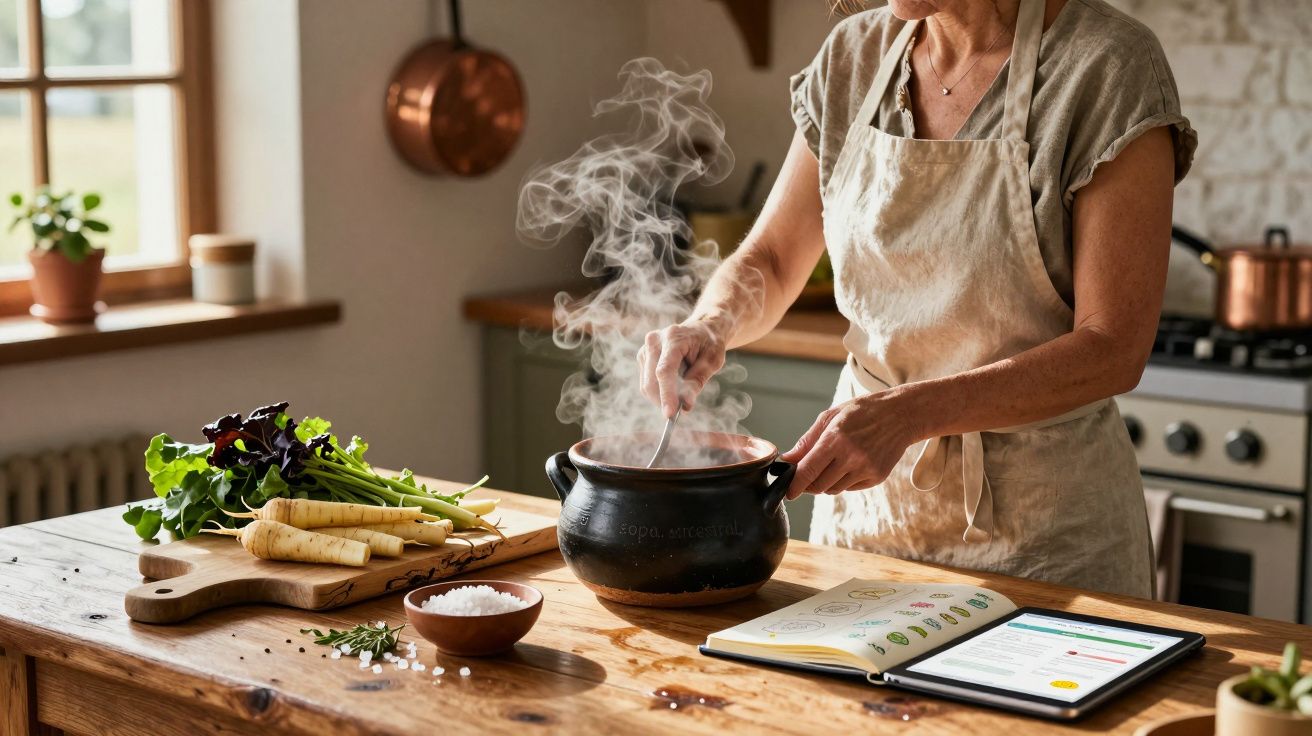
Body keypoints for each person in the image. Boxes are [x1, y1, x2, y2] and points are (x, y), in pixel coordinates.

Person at [637, 0, 1196, 598]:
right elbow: (772, 259)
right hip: (869, 520)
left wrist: (909, 414)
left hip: (1047, 538)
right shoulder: (855, 56)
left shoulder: (1108, 66)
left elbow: (1114, 347)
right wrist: (710, 323)